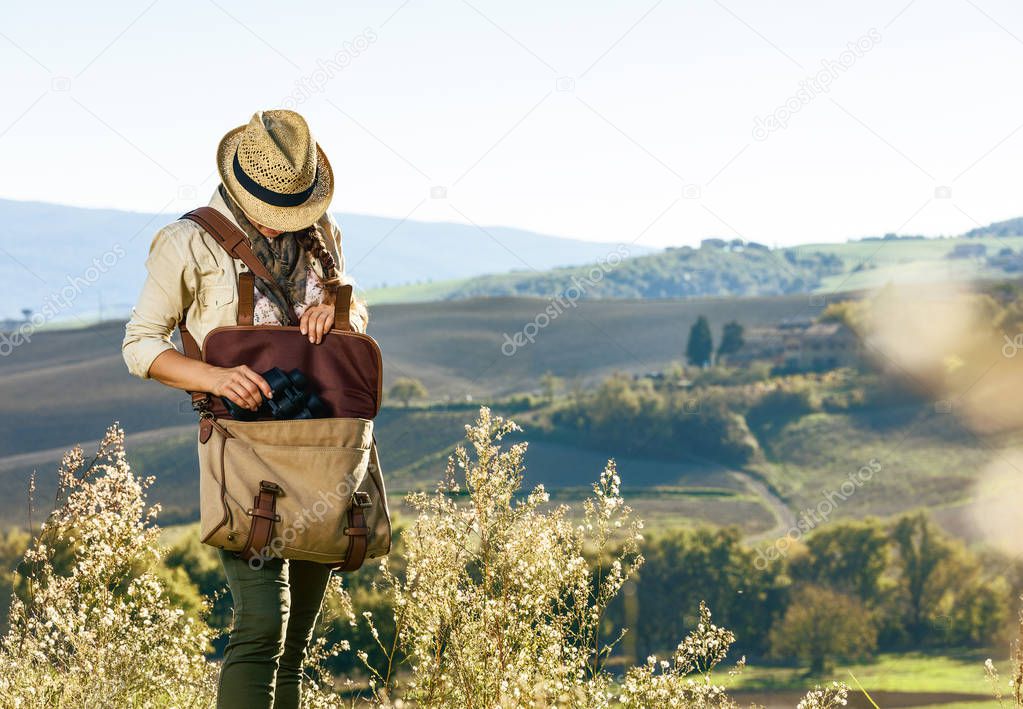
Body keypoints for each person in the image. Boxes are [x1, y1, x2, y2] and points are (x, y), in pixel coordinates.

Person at [121, 109, 366, 709]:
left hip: (323, 440)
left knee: (298, 641)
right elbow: (140, 345)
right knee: (260, 627)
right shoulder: (187, 241)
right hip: (244, 448)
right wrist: (216, 376)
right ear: (240, 185)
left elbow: (359, 316)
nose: (288, 224)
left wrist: (336, 316)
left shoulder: (321, 232)